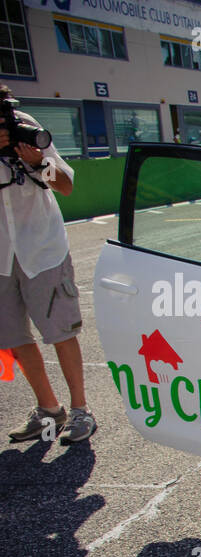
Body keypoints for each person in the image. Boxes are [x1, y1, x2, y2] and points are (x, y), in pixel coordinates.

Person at [1, 87, 95, 444]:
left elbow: (66, 185)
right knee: (13, 337)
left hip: (43, 249)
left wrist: (38, 162)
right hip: (0, 256)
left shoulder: (26, 127)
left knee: (61, 331)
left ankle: (81, 411)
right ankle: (48, 410)